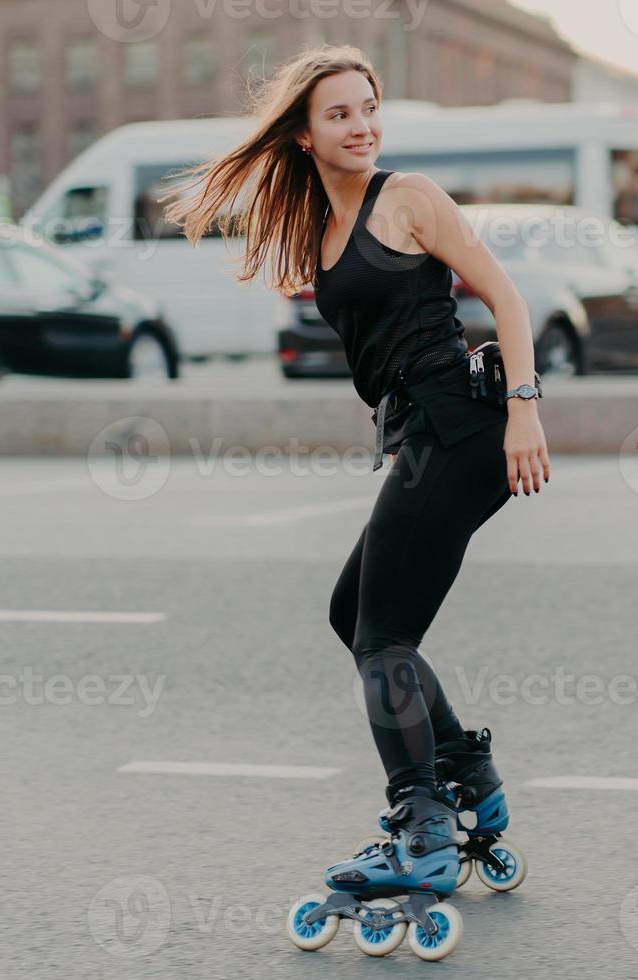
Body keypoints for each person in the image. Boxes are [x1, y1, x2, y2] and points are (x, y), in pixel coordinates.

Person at [161, 45, 548, 899]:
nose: (361, 125)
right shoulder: (324, 228)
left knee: (382, 638)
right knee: (355, 615)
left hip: (465, 426)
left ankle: (422, 829)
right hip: (426, 435)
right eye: (339, 113)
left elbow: (507, 299)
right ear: (304, 134)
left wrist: (524, 410)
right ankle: (466, 773)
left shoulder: (407, 198)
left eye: (368, 107)